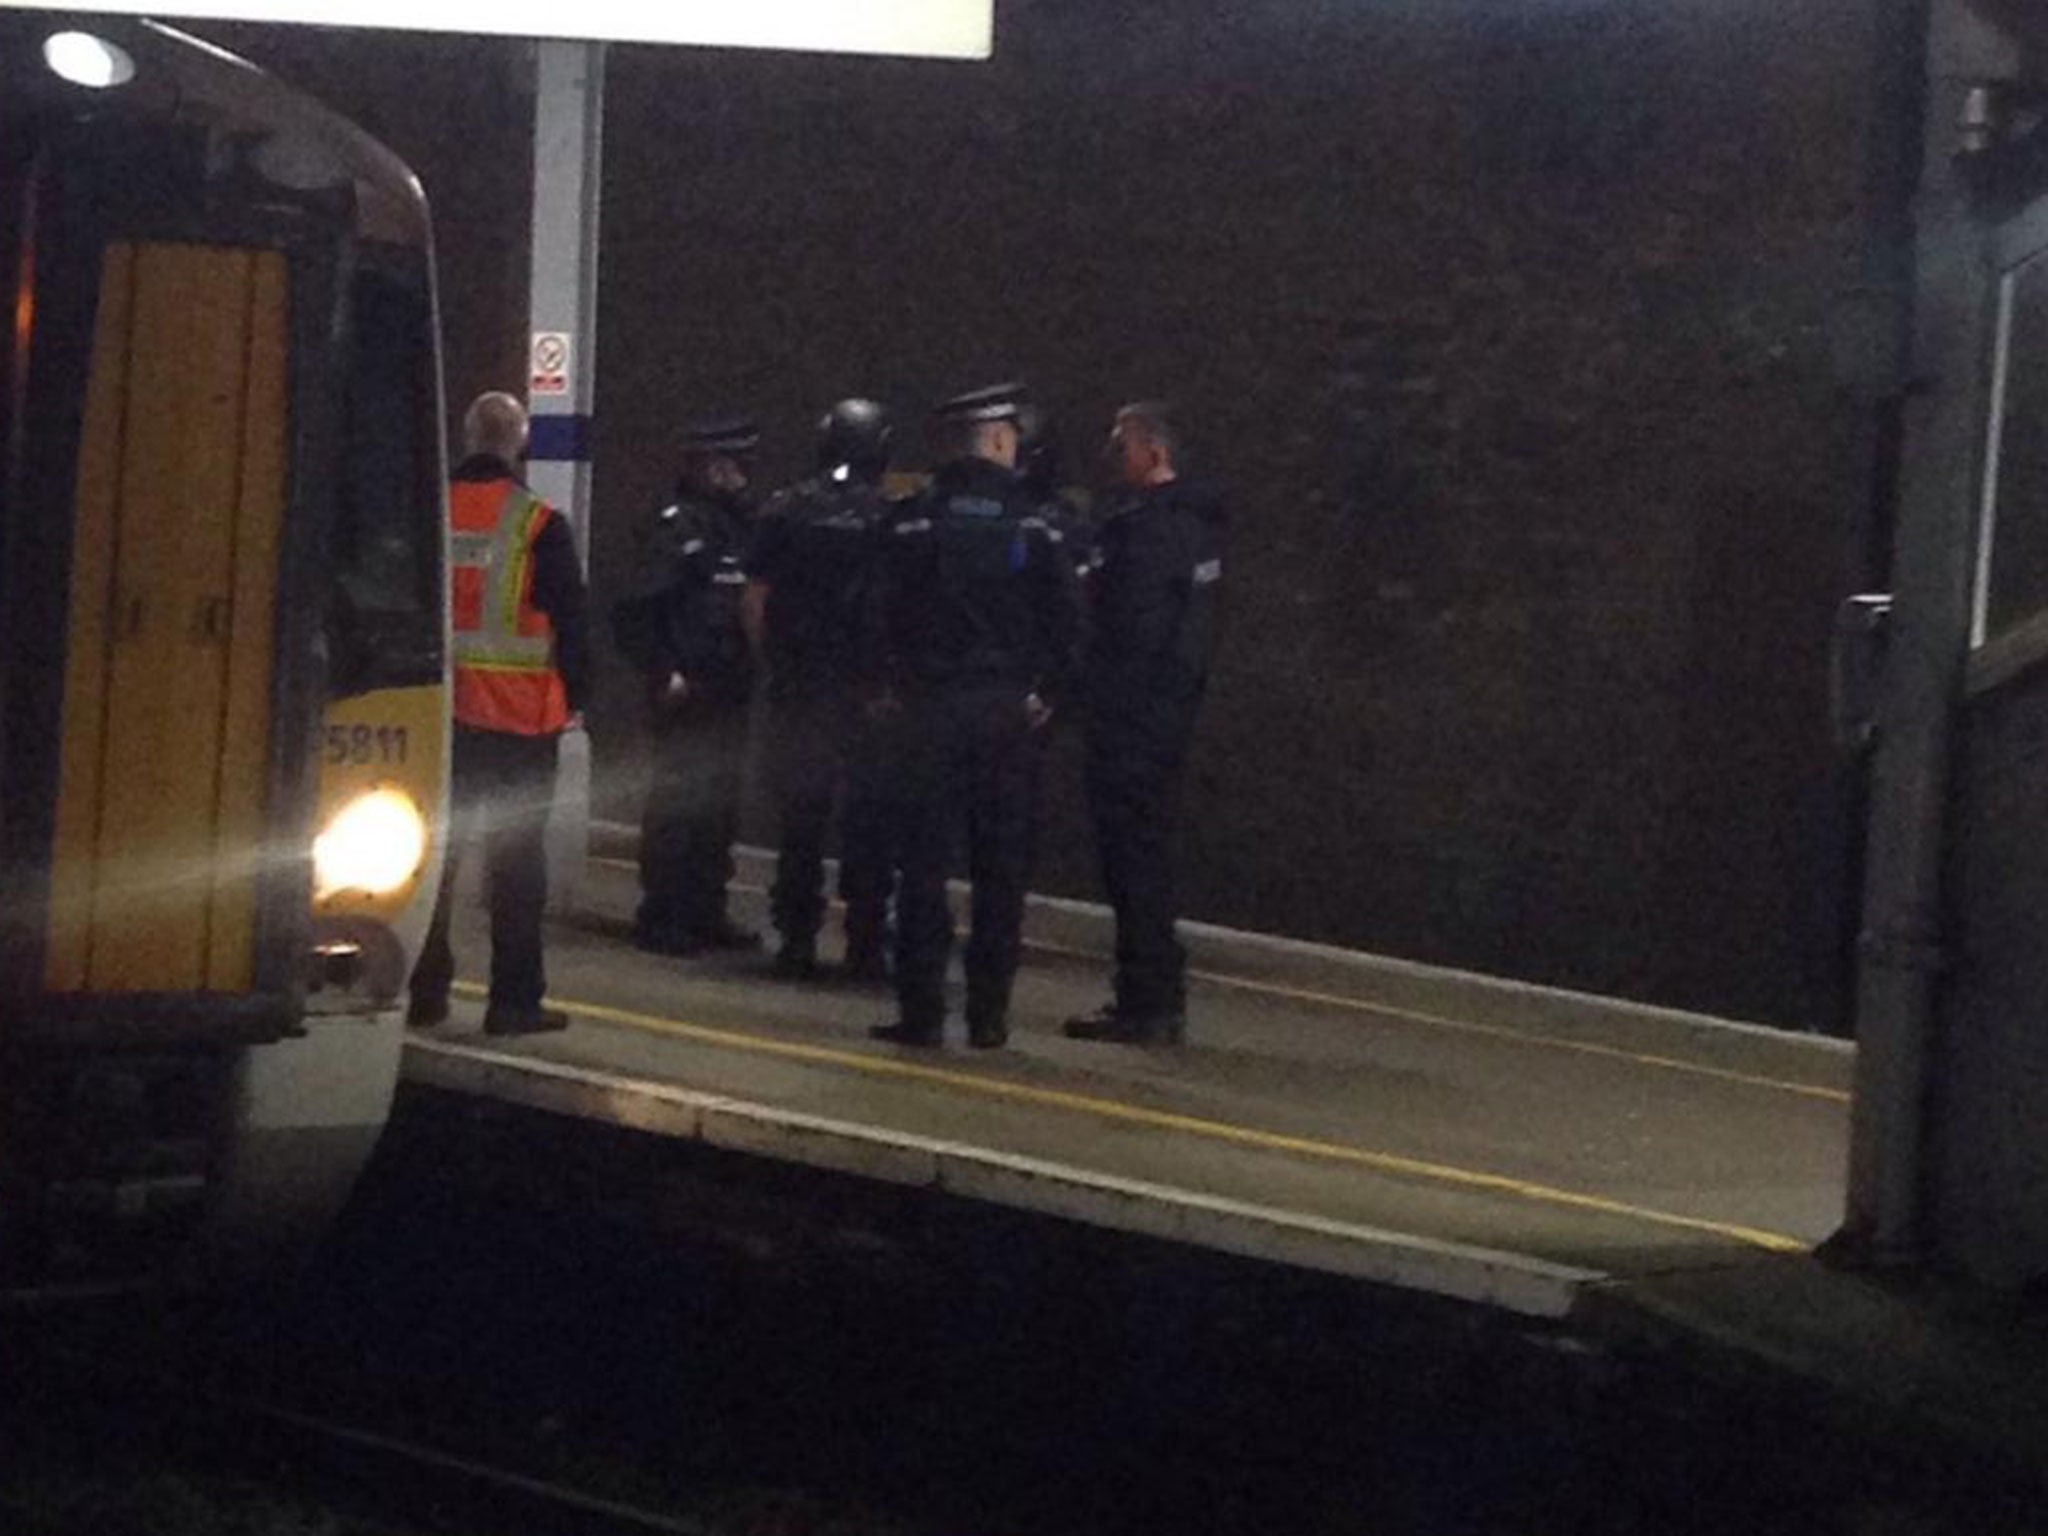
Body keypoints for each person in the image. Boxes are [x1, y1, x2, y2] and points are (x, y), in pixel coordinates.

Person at [865, 383, 1080, 1049]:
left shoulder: (911, 518)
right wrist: (1048, 693)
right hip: (1006, 712)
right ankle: (989, 1016)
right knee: (1001, 868)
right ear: (994, 439)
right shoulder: (1038, 520)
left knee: (924, 866)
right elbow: (1069, 622)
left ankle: (922, 1012)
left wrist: (887, 685)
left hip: (928, 710)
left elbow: (875, 612)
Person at [408, 391, 589, 1036]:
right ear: (519, 441)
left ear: (465, 437)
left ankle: (423, 991)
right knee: (516, 871)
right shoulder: (538, 524)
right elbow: (573, 624)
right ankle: (513, 1003)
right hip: (519, 728)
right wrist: (579, 701)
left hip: (438, 724)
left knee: (431, 863)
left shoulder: (426, 515)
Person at [1064, 401, 1224, 1046]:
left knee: (1132, 861)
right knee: (1146, 858)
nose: (1111, 457)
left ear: (1154, 453)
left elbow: (1126, 630)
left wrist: (1097, 702)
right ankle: (1151, 993)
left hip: (1130, 723)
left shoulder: (1144, 533)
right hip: (1164, 722)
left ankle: (1146, 1001)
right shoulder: (1197, 530)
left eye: (1120, 445)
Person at [743, 399, 899, 980]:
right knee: (869, 822)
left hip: (800, 684)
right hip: (868, 692)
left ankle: (796, 939)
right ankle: (864, 940)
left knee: (801, 822)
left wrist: (775, 664)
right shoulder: (890, 515)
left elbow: (755, 598)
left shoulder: (787, 509)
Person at [612, 416, 762, 957]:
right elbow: (635, 609)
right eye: (730, 464)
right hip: (686, 687)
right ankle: (662, 914)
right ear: (707, 466)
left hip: (729, 685)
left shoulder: (742, 528)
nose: (740, 475)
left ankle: (706, 910)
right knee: (678, 803)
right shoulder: (675, 527)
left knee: (718, 804)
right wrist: (662, 669)